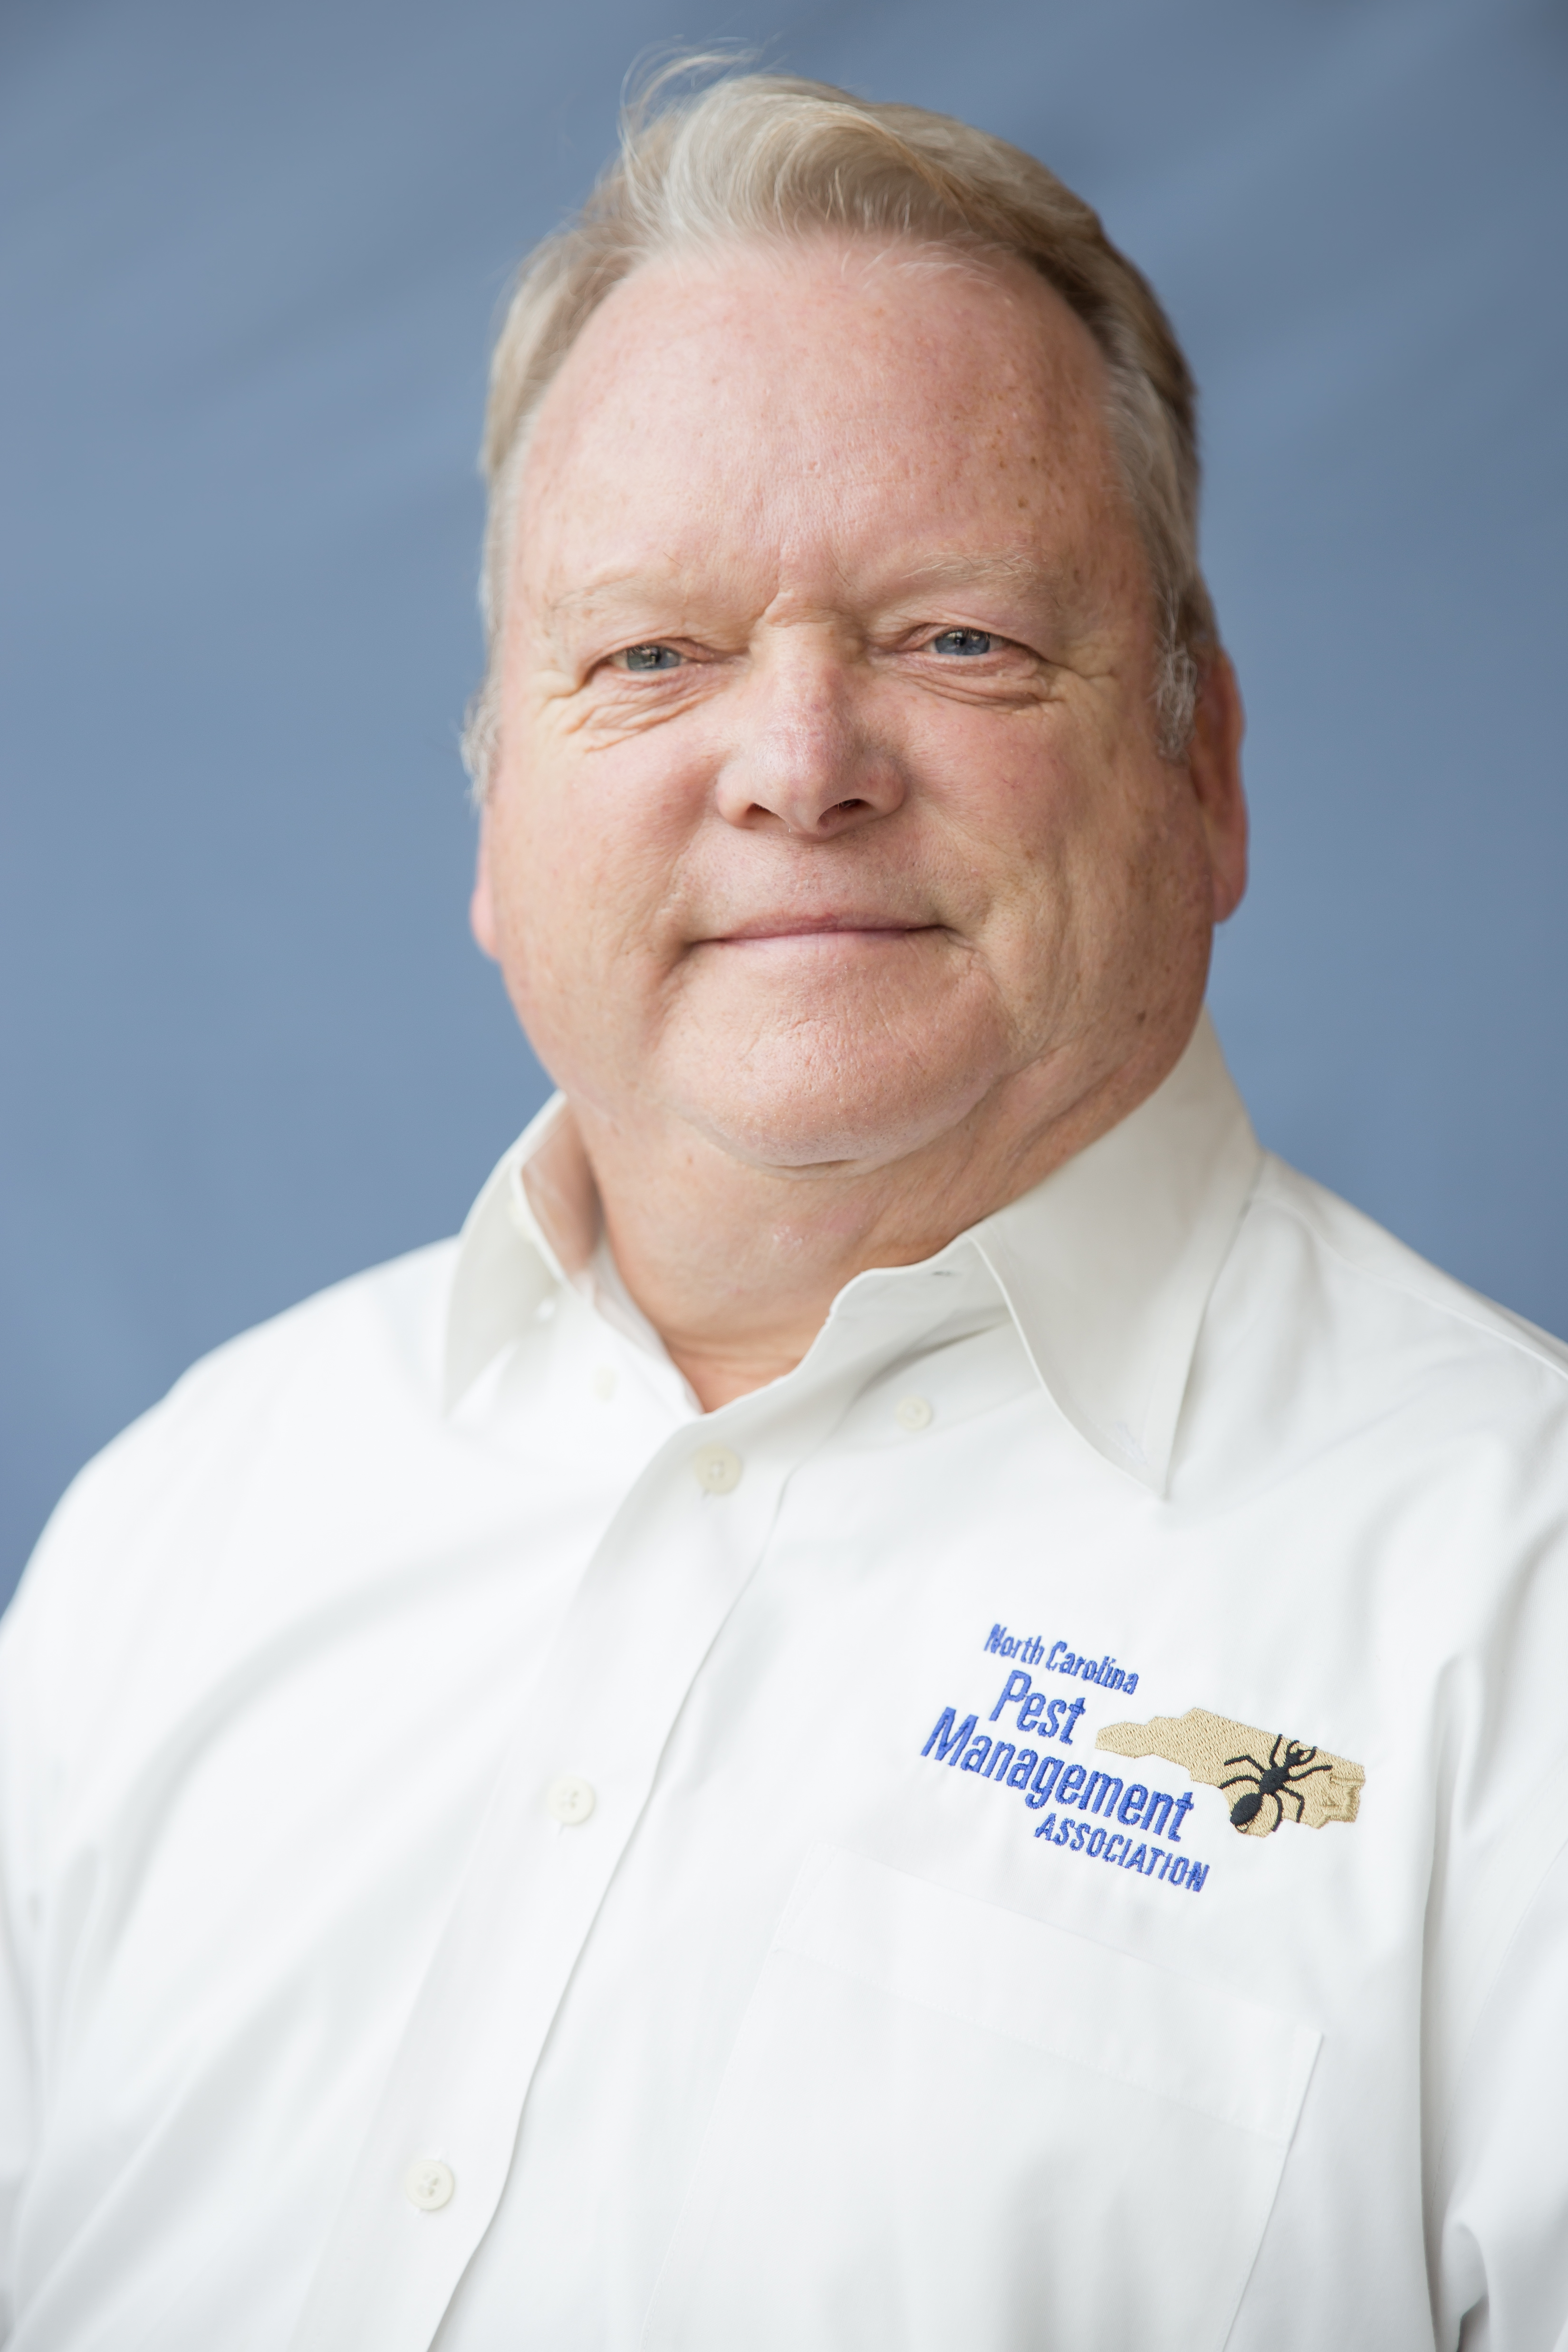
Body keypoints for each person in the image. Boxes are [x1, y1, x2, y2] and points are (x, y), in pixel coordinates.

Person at [1, 63, 1564, 2352]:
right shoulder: (186, 1529)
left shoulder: (1520, 1622)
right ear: (495, 815)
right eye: (653, 653)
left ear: (1204, 764)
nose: (800, 763)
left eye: (959, 637)